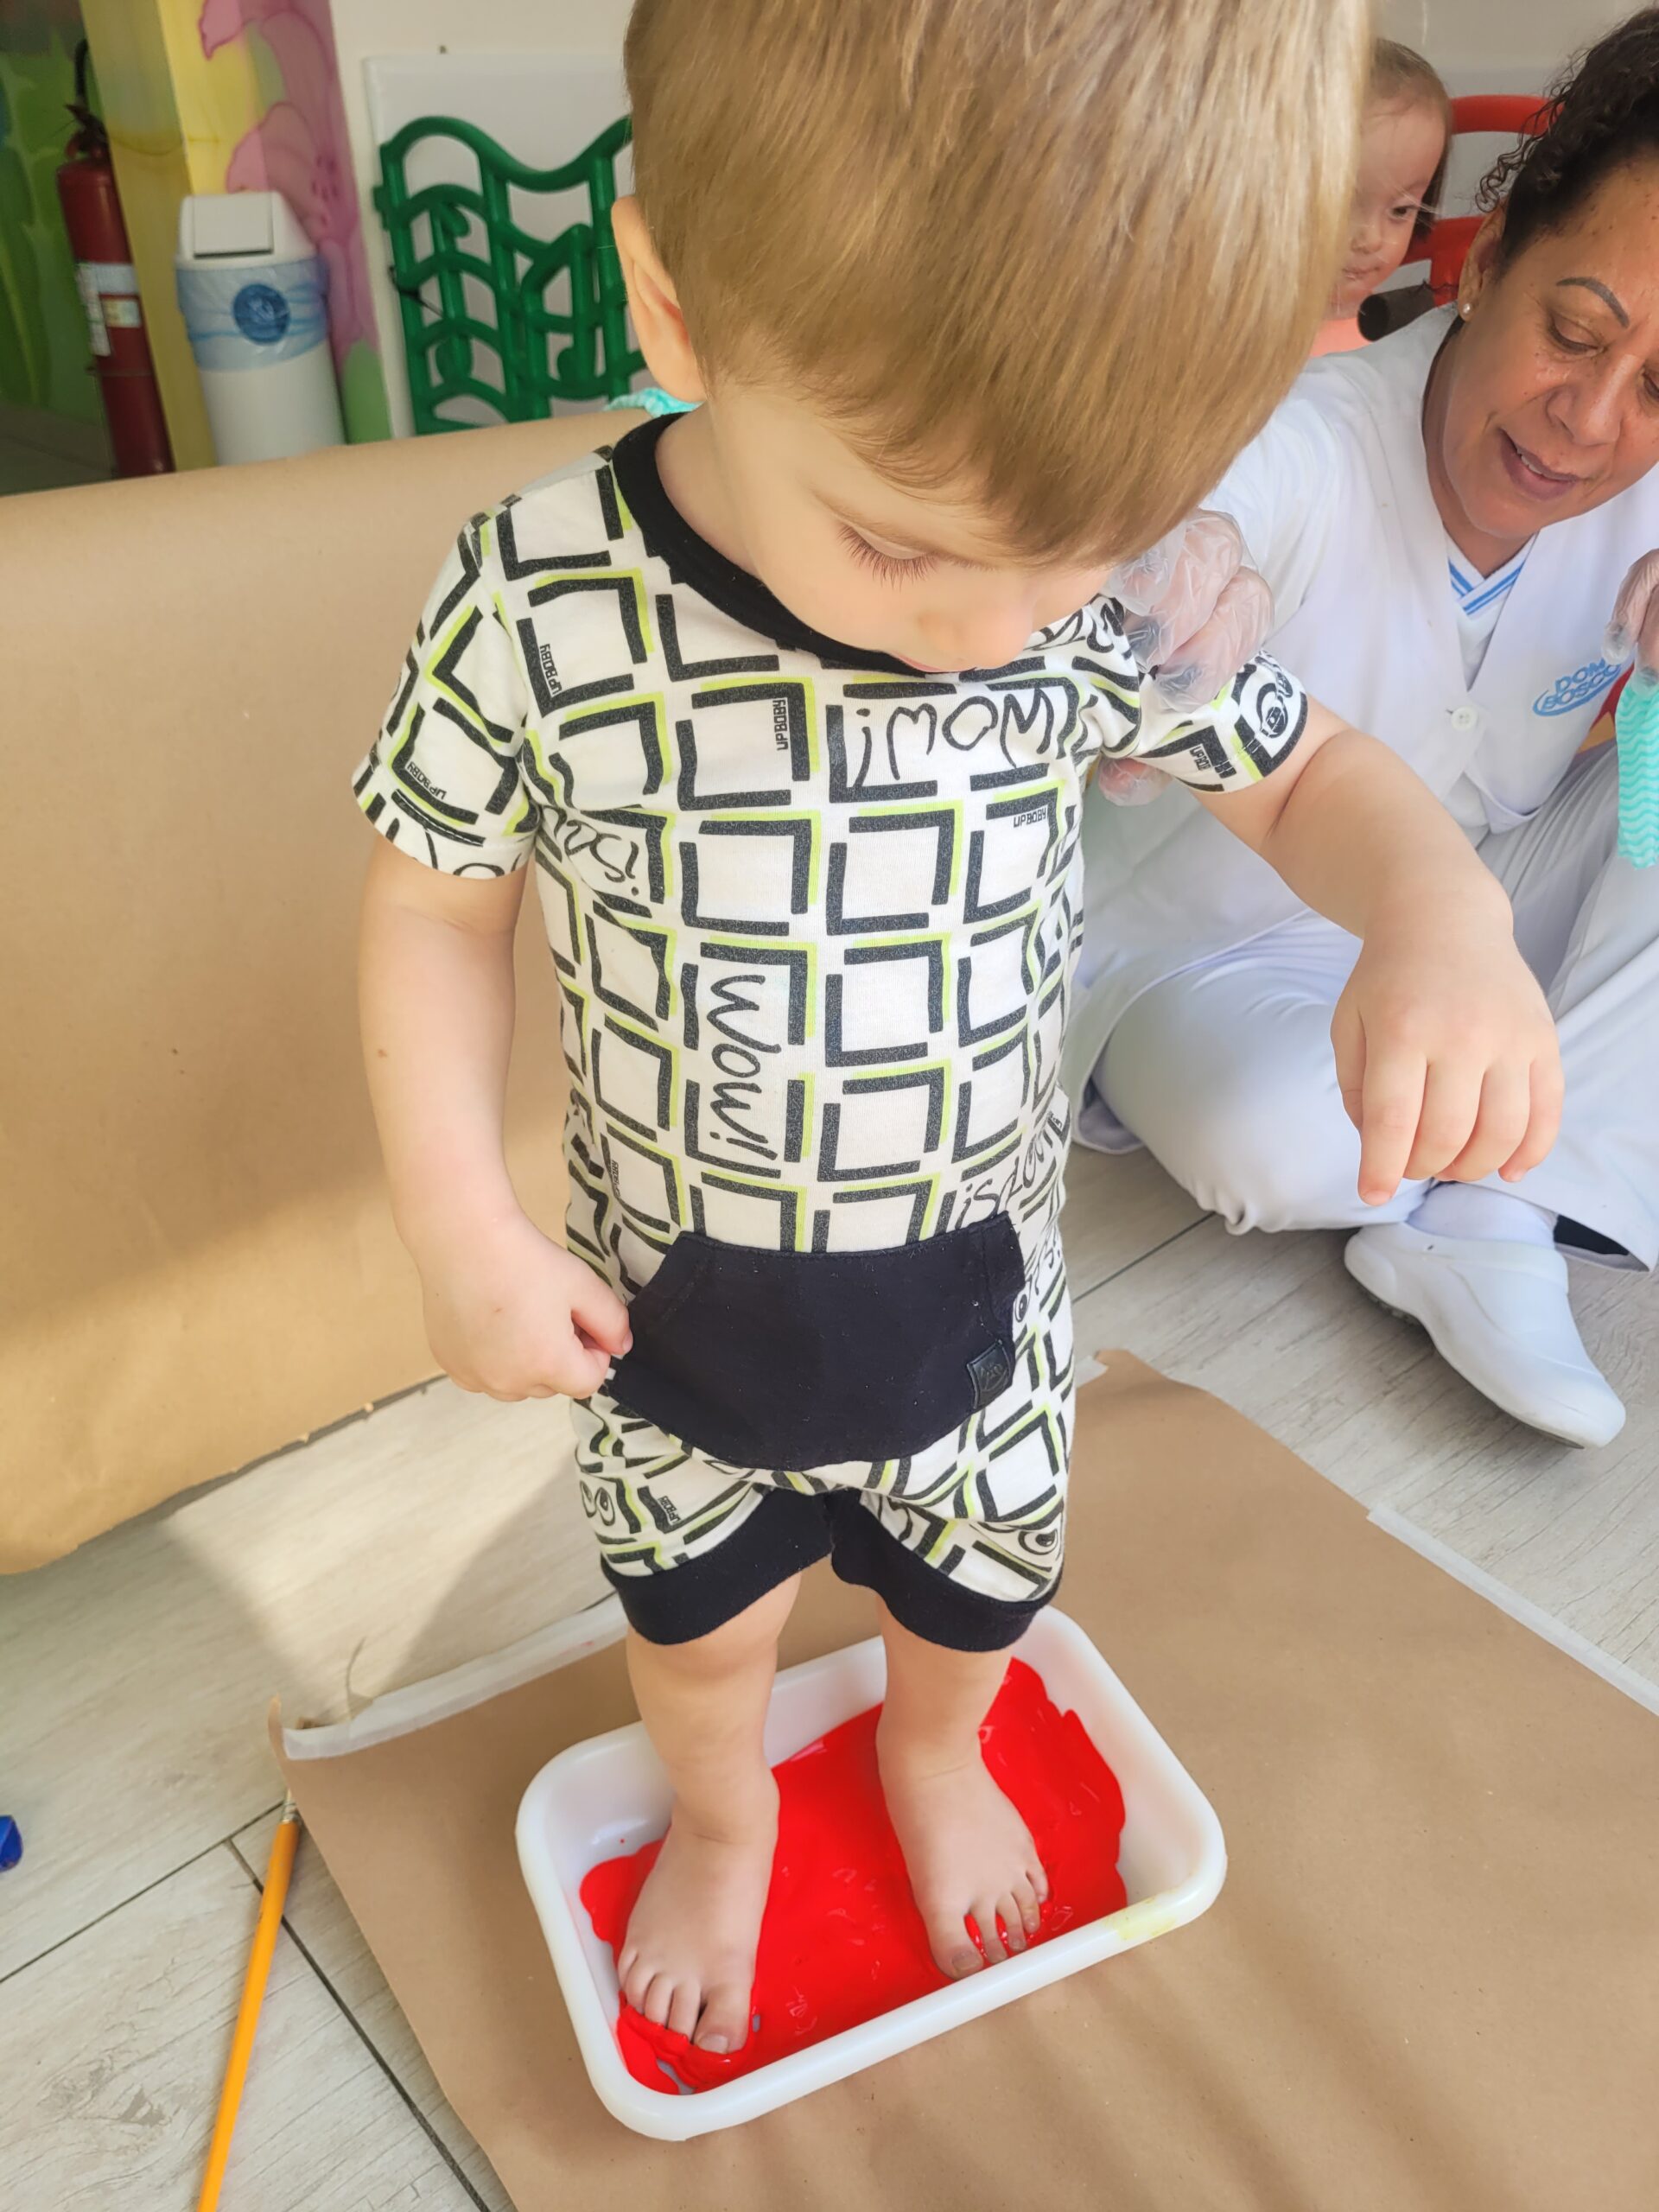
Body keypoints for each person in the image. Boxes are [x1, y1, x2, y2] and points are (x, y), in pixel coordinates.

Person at [353, 0, 1559, 2060]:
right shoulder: (540, 598)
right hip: (678, 1317)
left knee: (978, 1596)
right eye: (905, 543)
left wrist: (1443, 906)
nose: (998, 636)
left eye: (1068, 555)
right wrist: (459, 1219)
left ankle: (930, 1749)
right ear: (674, 303)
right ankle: (722, 1820)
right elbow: (433, 904)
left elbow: (1299, 774)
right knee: (702, 1638)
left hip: (983, 1304)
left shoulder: (1097, 587)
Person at [1073, 10, 1659, 1451]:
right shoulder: (1305, 444)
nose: (1589, 420)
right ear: (1489, 255)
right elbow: (1181, 531)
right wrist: (1174, 563)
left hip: (1482, 918)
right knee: (1279, 1139)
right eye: (1573, 333)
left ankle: (1500, 1198)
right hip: (1205, 956)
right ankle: (1550, 1131)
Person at [1313, 39, 1452, 359]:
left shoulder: (1399, 340)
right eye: (1342, 207)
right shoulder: (1231, 338)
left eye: (1401, 211)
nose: (1371, 239)